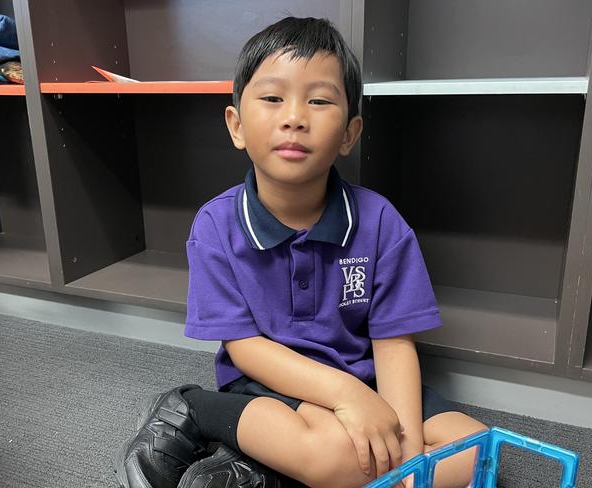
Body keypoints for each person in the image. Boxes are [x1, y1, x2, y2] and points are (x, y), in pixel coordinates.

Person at [115, 16, 487, 488]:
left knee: (477, 452)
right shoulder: (216, 223)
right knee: (333, 452)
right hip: (268, 388)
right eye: (272, 98)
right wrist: (344, 395)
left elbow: (394, 344)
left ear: (350, 133)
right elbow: (243, 347)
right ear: (237, 125)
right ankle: (194, 409)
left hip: (368, 383)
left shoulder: (379, 221)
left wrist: (409, 457)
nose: (294, 116)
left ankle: (261, 474)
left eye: (319, 100)